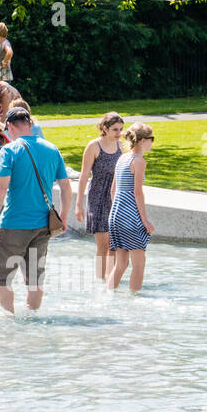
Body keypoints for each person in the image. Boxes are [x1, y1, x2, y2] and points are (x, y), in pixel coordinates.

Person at [0, 106, 71, 314]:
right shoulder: (51, 149)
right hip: (42, 225)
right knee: (35, 280)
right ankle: (32, 318)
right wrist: (64, 217)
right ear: (29, 124)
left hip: (13, 224)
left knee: (2, 279)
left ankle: (10, 321)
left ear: (10, 126)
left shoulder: (9, 150)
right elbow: (66, 187)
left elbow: (0, 189)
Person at [75, 112, 125, 280]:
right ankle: (100, 279)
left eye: (121, 129)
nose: (119, 133)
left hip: (115, 199)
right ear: (105, 128)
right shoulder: (94, 146)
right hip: (97, 198)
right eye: (115, 129)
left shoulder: (121, 147)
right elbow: (84, 176)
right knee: (103, 246)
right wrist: (78, 204)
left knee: (115, 245)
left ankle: (111, 278)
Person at [107, 122, 155, 293]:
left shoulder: (122, 158)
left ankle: (109, 294)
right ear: (142, 141)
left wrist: (118, 211)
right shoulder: (139, 161)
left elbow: (113, 190)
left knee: (121, 264)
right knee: (139, 264)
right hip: (130, 216)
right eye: (151, 139)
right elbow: (137, 193)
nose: (152, 142)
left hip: (115, 215)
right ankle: (136, 301)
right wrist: (144, 220)